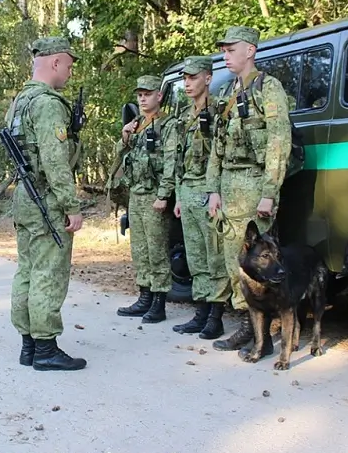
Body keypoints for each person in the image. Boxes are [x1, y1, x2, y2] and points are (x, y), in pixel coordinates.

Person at [205, 26, 292, 357]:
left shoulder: (269, 88)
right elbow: (217, 146)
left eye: (230, 50)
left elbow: (278, 141)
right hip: (229, 190)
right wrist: (213, 189)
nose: (225, 56)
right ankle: (249, 326)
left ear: (250, 51)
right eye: (223, 50)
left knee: (260, 267)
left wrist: (269, 191)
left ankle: (261, 334)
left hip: (255, 188)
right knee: (236, 262)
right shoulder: (228, 93)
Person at [5, 37, 87, 371]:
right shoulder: (48, 103)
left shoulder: (19, 102)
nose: (69, 72)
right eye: (68, 65)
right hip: (47, 201)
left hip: (25, 196)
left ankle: (28, 345)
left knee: (26, 270)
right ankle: (46, 348)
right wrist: (71, 205)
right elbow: (55, 160)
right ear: (55, 62)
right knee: (48, 274)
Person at [171, 56, 231, 339]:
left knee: (214, 255)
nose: (187, 83)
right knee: (195, 258)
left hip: (209, 191)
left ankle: (216, 316)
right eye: (184, 78)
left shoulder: (221, 109)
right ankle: (201, 312)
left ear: (208, 78)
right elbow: (179, 158)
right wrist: (179, 196)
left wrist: (214, 192)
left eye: (192, 77)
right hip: (188, 190)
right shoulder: (184, 115)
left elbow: (222, 154)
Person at [116, 75, 177, 324]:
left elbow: (172, 162)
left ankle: (159, 302)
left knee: (157, 250)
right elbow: (121, 157)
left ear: (158, 96)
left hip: (154, 196)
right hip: (136, 195)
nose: (142, 98)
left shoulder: (168, 124)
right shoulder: (136, 124)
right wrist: (124, 136)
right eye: (139, 94)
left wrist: (164, 195)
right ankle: (144, 296)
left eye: (148, 94)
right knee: (139, 249)